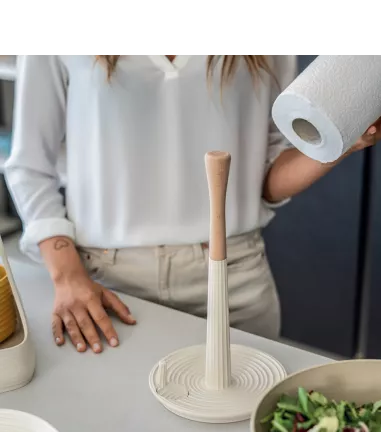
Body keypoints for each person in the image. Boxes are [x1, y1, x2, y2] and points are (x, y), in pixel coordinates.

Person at [5, 49, 381, 354]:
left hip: (236, 280)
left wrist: (341, 142)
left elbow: (267, 179)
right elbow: (29, 167)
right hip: (106, 283)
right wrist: (67, 275)